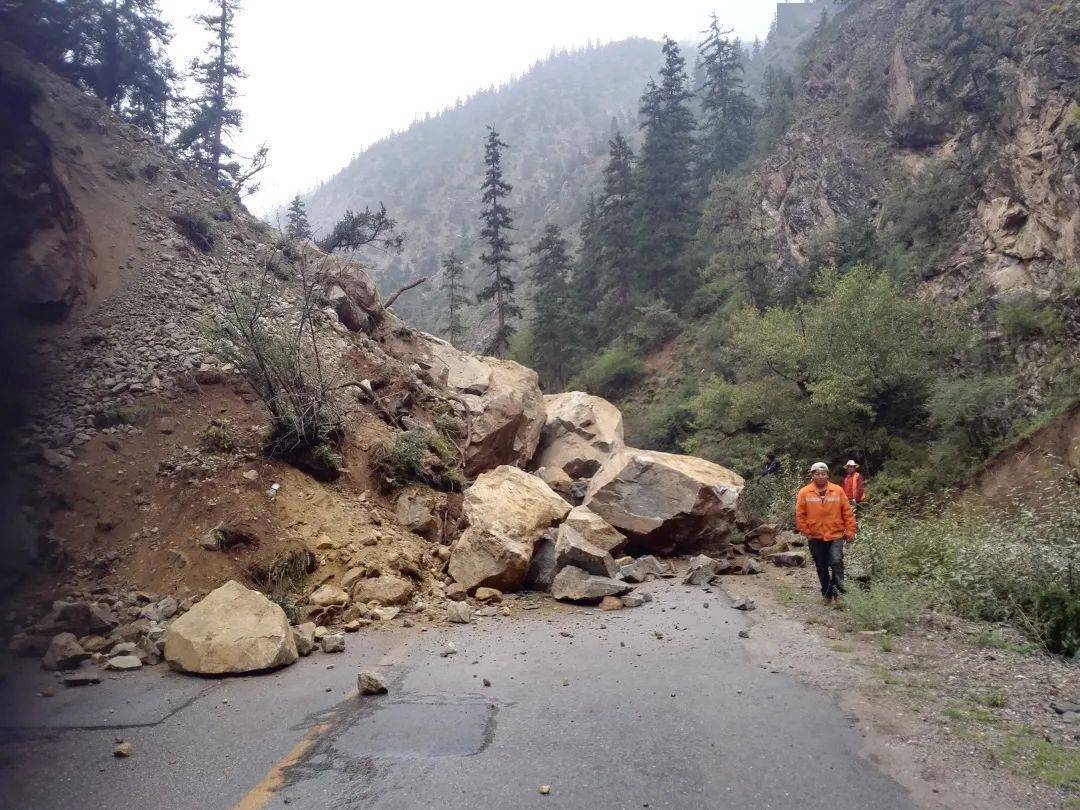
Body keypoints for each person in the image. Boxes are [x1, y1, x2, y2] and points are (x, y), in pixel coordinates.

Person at [796, 462, 857, 604]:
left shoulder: (837, 490)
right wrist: (806, 531)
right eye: (817, 474)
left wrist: (850, 530)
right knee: (821, 566)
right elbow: (800, 514)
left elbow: (847, 512)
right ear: (812, 475)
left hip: (835, 534)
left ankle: (839, 594)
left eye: (823, 474)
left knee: (836, 562)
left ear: (827, 475)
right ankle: (827, 594)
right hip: (815, 535)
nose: (820, 476)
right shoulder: (804, 492)